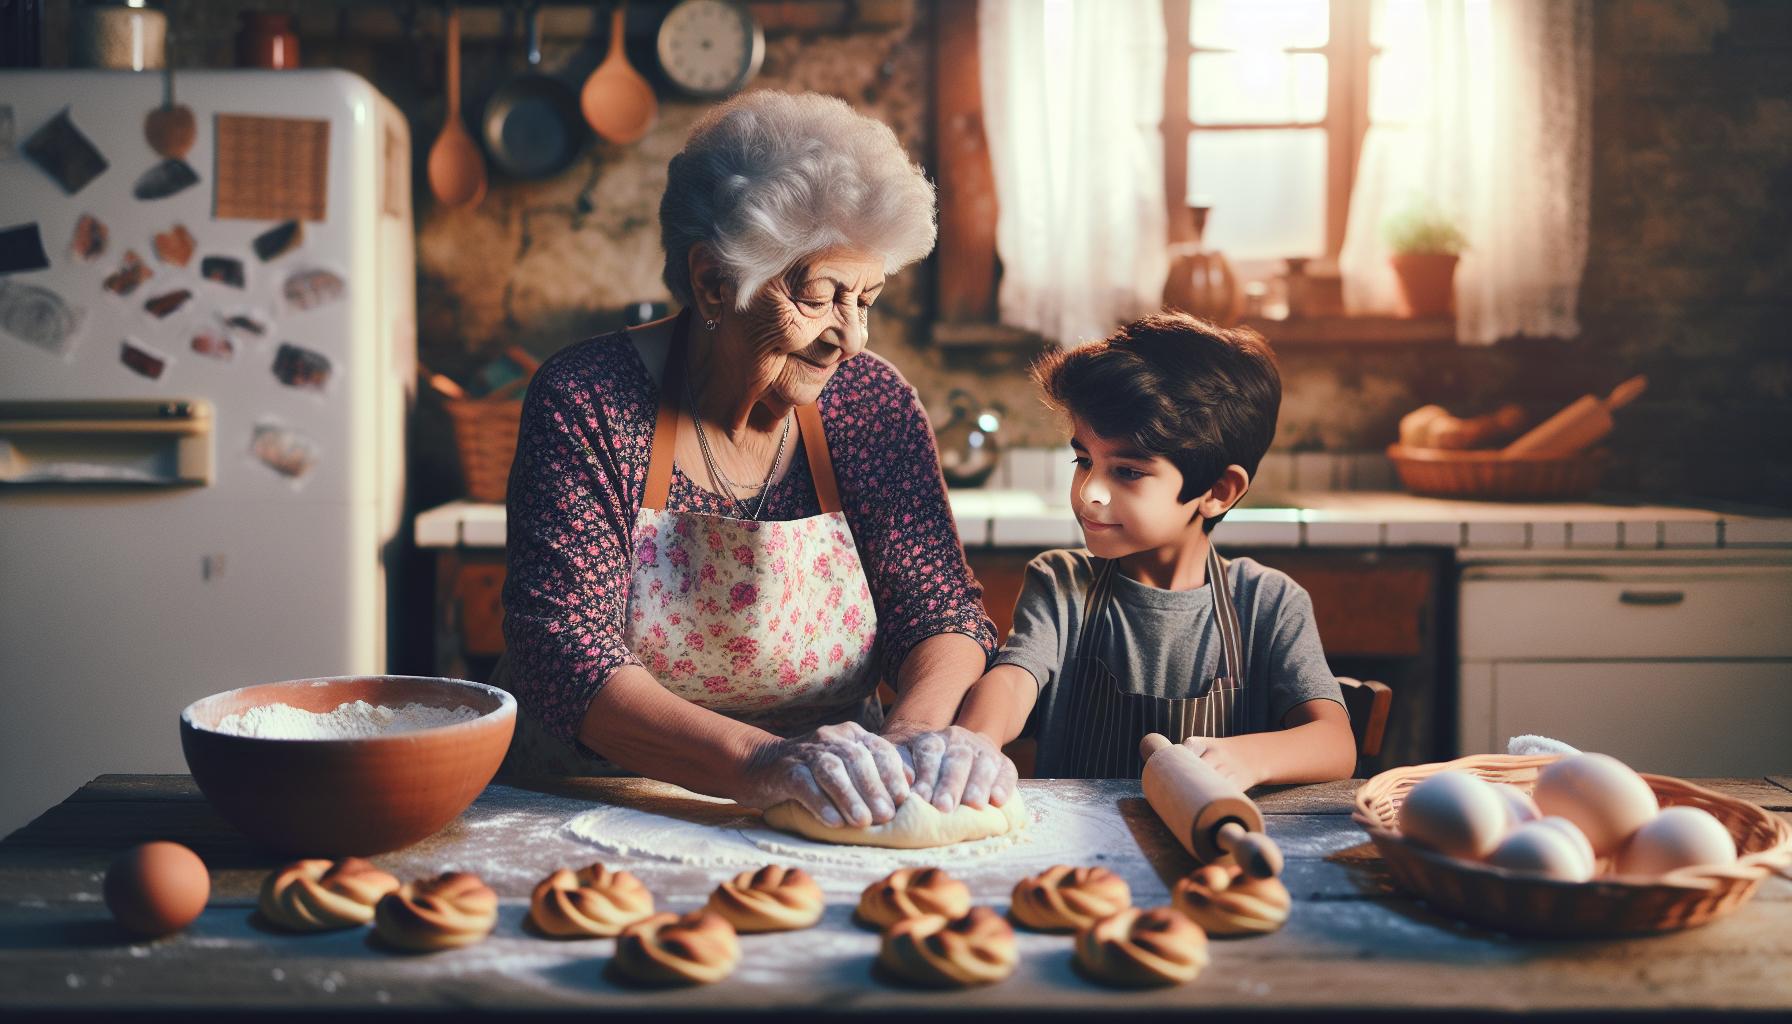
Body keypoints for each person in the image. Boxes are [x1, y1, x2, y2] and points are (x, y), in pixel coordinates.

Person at [498, 91, 1017, 831]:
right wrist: (757, 764)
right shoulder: (590, 400)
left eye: (866, 298)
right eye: (821, 296)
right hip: (602, 804)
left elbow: (939, 612)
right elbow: (563, 651)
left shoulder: (869, 403)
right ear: (714, 282)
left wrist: (912, 737)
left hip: (836, 801)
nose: (853, 337)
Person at [953, 311, 1358, 783]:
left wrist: (1247, 759)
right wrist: (973, 741)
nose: (1089, 492)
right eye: (1083, 460)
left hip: (1209, 851)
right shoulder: (1062, 584)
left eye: (1127, 471)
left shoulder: (1269, 604)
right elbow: (1013, 682)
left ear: (1219, 491)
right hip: (1085, 853)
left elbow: (1335, 742)